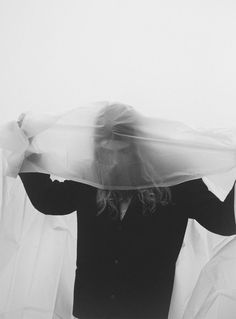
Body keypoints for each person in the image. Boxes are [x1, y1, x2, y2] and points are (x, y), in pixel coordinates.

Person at [18, 103, 236, 319]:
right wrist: (23, 148)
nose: (112, 162)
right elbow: (49, 200)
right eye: (105, 152)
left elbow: (224, 221)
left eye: (121, 152)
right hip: (91, 310)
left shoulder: (177, 183)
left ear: (138, 148)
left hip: (145, 311)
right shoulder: (90, 179)